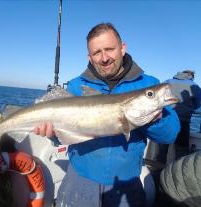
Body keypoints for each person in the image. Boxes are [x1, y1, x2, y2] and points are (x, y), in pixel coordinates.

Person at [33, 23, 180, 207]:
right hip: (79, 181)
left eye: (110, 49)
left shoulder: (148, 84)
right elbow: (62, 139)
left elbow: (170, 135)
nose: (104, 58)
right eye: (97, 52)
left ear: (122, 48)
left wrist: (155, 116)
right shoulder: (76, 86)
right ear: (90, 56)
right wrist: (53, 134)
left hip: (127, 185)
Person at [165, 70, 201, 158]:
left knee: (162, 146)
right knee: (181, 150)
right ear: (190, 75)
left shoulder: (167, 81)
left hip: (165, 118)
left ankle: (157, 169)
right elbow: (198, 106)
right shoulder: (194, 85)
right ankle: (178, 169)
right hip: (182, 121)